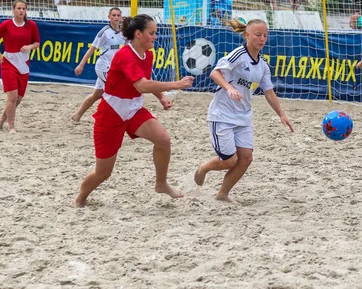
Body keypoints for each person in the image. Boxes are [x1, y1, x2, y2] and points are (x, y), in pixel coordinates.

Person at [74, 14, 195, 208]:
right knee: (103, 172)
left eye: (156, 32)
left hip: (133, 109)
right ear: (138, 34)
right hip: (111, 113)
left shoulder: (147, 53)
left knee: (163, 139)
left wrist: (162, 97)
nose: (155, 37)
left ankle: (161, 184)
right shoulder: (124, 55)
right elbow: (141, 85)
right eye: (152, 33)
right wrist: (176, 84)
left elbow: (146, 82)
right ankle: (80, 198)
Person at [193, 19, 294, 202]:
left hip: (243, 117)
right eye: (258, 35)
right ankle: (204, 167)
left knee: (246, 158)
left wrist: (282, 114)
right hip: (222, 115)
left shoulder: (263, 66)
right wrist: (229, 88)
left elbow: (269, 92)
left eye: (265, 35)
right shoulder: (238, 54)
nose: (262, 39)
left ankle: (222, 194)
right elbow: (215, 72)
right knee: (229, 161)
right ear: (247, 35)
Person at [0, 0, 41, 134]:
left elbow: (37, 43)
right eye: (19, 8)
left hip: (23, 64)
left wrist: (29, 46)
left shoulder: (31, 25)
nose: (21, 11)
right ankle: (12, 127)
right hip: (8, 62)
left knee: (18, 99)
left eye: (23, 8)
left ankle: (1, 119)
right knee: (12, 96)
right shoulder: (6, 25)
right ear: (13, 10)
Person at [72, 7, 125, 122]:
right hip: (103, 67)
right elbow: (92, 49)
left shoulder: (124, 32)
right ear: (109, 17)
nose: (116, 17)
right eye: (114, 15)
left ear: (121, 17)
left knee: (97, 94)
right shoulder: (104, 32)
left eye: (118, 15)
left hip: (115, 69)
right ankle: (106, 118)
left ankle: (77, 115)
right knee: (113, 92)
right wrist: (81, 65)